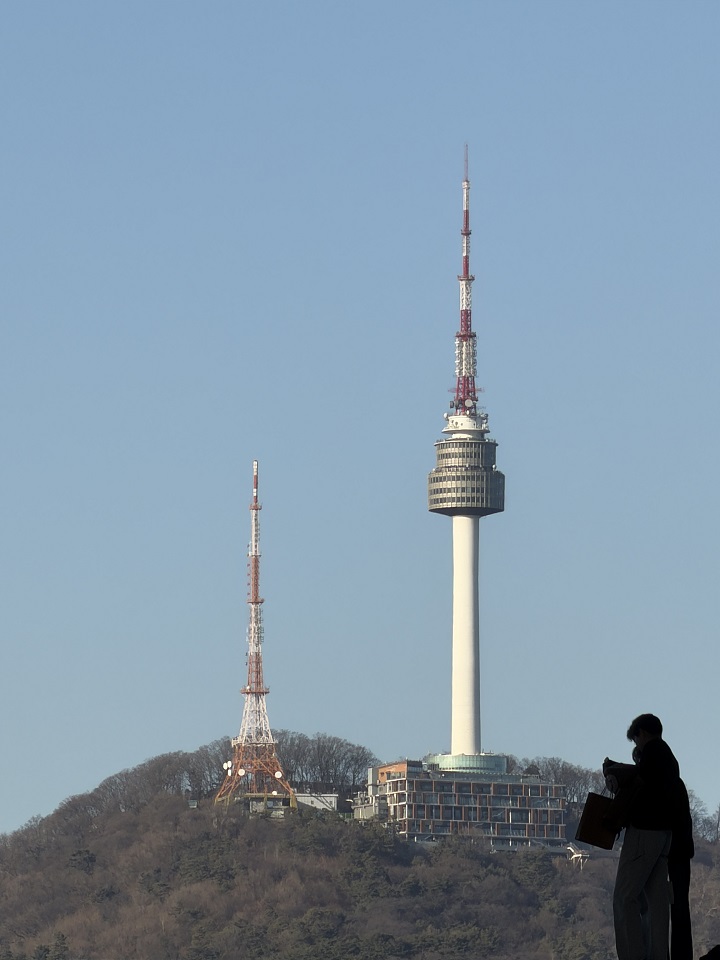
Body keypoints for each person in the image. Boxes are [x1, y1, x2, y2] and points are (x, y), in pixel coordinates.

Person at [609, 713, 680, 960]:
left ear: (641, 733)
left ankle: (631, 955)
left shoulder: (651, 754)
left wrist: (617, 778)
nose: (636, 746)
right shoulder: (669, 759)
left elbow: (639, 785)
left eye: (636, 740)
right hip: (664, 836)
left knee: (624, 898)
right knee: (656, 903)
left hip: (644, 833)